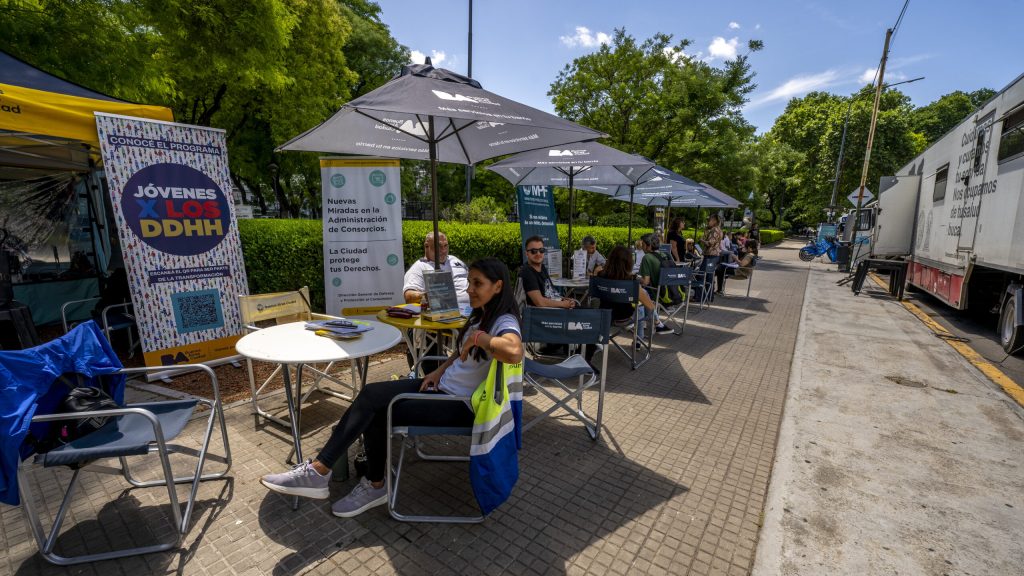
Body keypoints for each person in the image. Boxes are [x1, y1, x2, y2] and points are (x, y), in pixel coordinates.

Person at [261, 258, 523, 517]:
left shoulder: (504, 321)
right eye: (468, 282)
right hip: (441, 388)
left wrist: (479, 337)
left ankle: (328, 473)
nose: (469, 289)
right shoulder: (482, 315)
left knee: (375, 404)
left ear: (498, 286)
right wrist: (438, 370)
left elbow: (514, 351)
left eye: (477, 283)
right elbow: (462, 353)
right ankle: (362, 482)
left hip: (458, 405)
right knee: (372, 397)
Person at [596, 246, 659, 347]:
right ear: (628, 263)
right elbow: (650, 307)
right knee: (642, 307)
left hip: (604, 316)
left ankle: (642, 337)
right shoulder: (631, 281)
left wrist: (596, 272)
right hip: (625, 318)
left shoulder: (600, 276)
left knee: (641, 303)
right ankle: (642, 337)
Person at [403, 232, 469, 308]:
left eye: (445, 245)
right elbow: (408, 297)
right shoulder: (420, 267)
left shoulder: (454, 260)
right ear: (426, 246)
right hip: (449, 312)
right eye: (439, 246)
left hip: (475, 309)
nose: (444, 250)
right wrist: (428, 296)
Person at [520, 236, 574, 309]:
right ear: (526, 253)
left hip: (554, 311)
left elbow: (550, 293)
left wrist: (564, 300)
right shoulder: (527, 272)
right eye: (534, 251)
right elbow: (539, 302)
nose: (538, 254)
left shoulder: (542, 268)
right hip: (543, 316)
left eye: (541, 250)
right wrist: (563, 304)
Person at [637, 234, 674, 332]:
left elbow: (645, 282)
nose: (642, 246)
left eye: (643, 244)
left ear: (648, 246)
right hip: (672, 292)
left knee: (640, 290)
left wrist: (635, 277)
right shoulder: (666, 254)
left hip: (657, 294)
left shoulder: (647, 257)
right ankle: (652, 322)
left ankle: (649, 322)